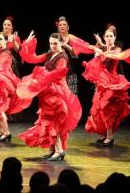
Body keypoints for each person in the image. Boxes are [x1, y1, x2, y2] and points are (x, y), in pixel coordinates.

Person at [17, 31, 82, 161]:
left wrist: (42, 77)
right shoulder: (51, 54)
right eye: (51, 43)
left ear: (61, 43)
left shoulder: (62, 57)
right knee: (49, 120)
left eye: (55, 43)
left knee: (55, 122)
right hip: (49, 91)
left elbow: (59, 73)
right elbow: (33, 58)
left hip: (58, 92)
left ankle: (59, 151)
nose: (53, 45)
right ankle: (53, 150)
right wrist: (27, 43)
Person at [83, 29, 130, 146]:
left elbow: (114, 56)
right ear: (104, 38)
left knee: (109, 110)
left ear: (115, 38)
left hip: (113, 82)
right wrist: (97, 50)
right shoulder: (102, 49)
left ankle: (110, 136)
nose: (109, 38)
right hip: (102, 82)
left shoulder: (117, 49)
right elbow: (96, 62)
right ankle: (104, 134)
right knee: (99, 109)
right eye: (107, 36)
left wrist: (100, 52)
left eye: (111, 36)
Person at [56, 16, 79, 94]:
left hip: (71, 71)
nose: (62, 26)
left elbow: (76, 55)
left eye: (64, 24)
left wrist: (66, 46)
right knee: (59, 96)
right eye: (60, 25)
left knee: (72, 95)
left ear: (68, 27)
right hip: (58, 72)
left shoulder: (72, 38)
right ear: (58, 27)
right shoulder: (54, 39)